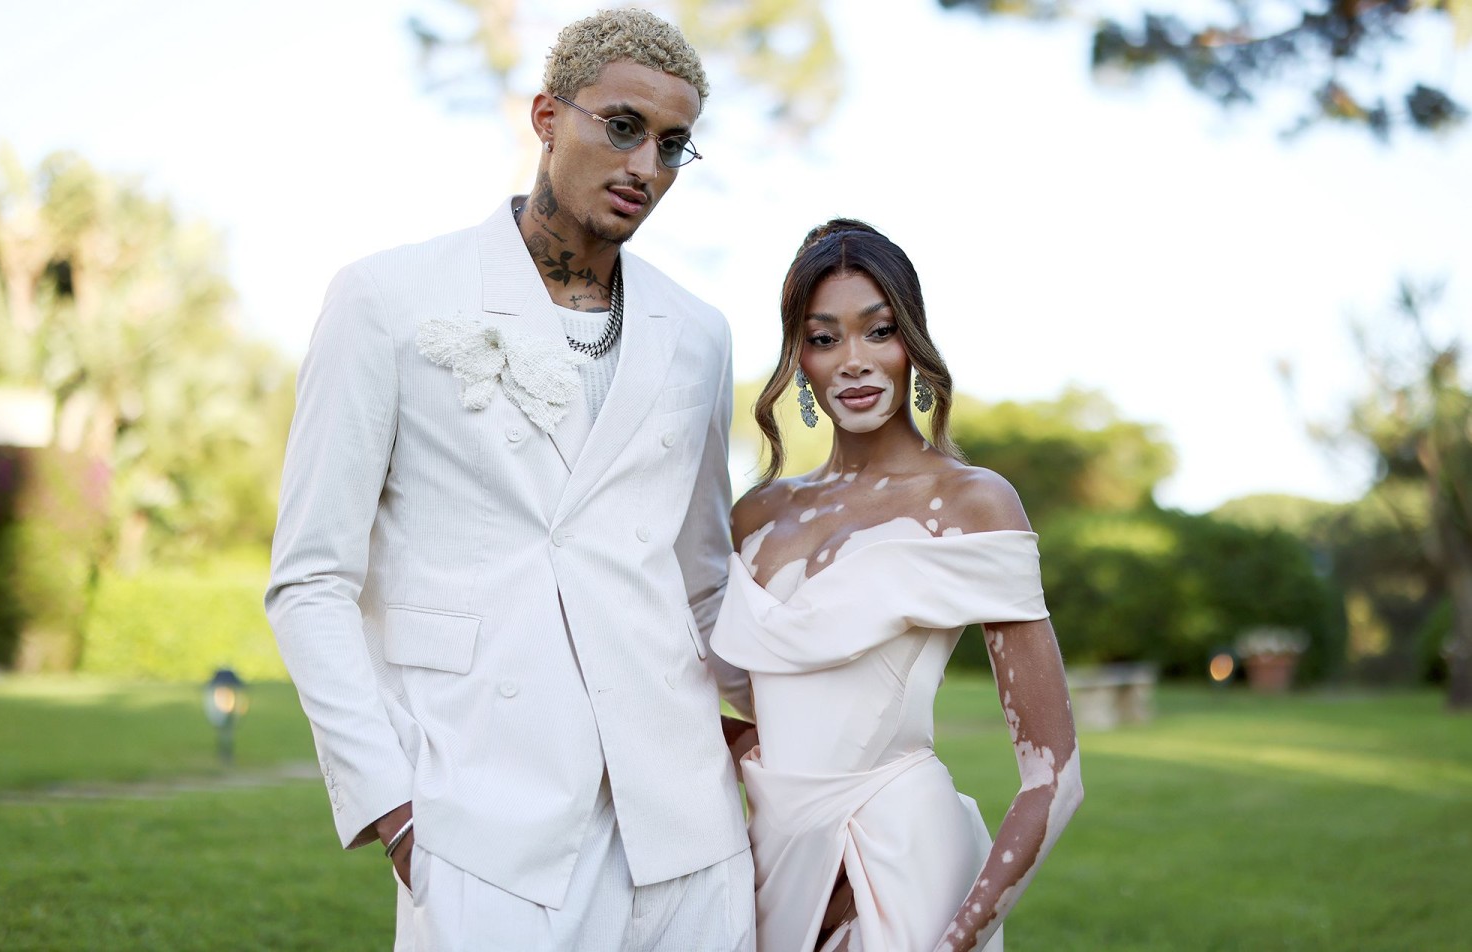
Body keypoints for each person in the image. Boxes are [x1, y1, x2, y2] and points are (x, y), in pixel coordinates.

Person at [265, 10, 755, 951]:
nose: (645, 166)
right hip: (479, 819)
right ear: (545, 116)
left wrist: (825, 718)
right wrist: (392, 805)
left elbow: (703, 578)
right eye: (621, 126)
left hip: (685, 824)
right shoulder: (388, 299)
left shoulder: (699, 335)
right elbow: (310, 579)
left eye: (672, 144)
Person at [713, 220, 1084, 952]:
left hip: (903, 879)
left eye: (876, 331)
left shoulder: (973, 504)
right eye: (824, 339)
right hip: (769, 870)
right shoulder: (758, 514)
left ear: (912, 342)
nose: (852, 361)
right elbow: (730, 702)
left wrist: (958, 938)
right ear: (800, 360)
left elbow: (1053, 776)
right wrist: (764, 760)